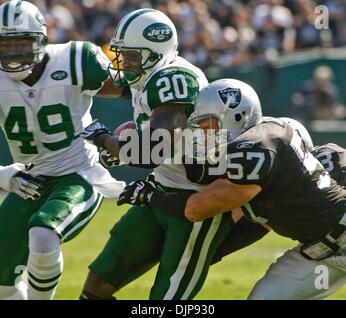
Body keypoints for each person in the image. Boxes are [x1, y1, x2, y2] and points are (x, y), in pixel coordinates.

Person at [118, 78, 346, 299]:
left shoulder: (256, 146)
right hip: (317, 253)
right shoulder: (261, 150)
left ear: (237, 116)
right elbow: (254, 224)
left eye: (209, 124)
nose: (204, 133)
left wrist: (150, 196)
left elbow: (196, 209)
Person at [77, 8, 233, 300]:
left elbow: (151, 151)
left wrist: (104, 139)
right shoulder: (148, 76)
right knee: (99, 280)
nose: (125, 62)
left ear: (156, 52)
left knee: (166, 299)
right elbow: (109, 88)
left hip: (195, 202)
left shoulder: (174, 79)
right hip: (159, 191)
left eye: (132, 56)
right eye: (123, 54)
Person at [0, 0, 125, 300]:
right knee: (2, 285)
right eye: (6, 45)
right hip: (29, 181)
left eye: (22, 43)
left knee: (43, 235)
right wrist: (4, 175)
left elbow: (133, 90)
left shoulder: (74, 60)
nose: (15, 54)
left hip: (78, 174)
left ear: (42, 39)